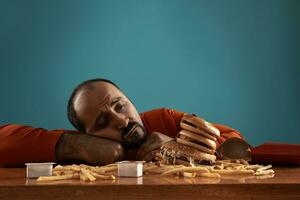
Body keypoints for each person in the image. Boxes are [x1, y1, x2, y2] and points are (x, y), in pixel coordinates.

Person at [0, 78, 243, 167]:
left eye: (120, 106)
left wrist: (185, 149)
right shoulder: (82, 149)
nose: (121, 120)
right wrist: (73, 146)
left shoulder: (165, 120)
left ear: (132, 102)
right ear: (87, 135)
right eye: (103, 120)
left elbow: (239, 146)